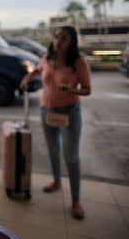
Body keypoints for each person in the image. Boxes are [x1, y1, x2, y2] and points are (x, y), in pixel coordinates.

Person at [20, 25, 91, 220]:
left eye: (64, 38)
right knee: (53, 149)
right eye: (57, 37)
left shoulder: (79, 63)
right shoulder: (47, 58)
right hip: (47, 110)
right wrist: (28, 77)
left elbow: (87, 89)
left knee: (71, 155)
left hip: (70, 112)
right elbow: (38, 70)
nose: (59, 41)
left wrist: (71, 90)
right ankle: (57, 181)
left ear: (72, 42)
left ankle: (76, 200)